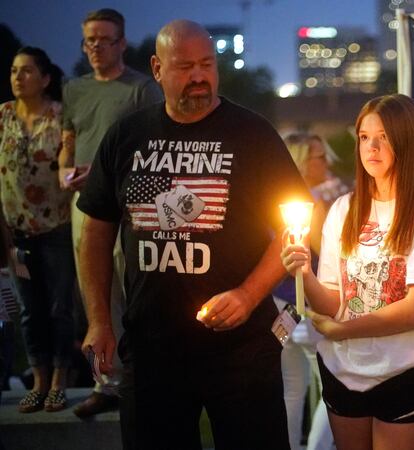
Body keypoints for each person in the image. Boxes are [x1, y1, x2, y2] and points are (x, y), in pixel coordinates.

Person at [76, 20, 308, 449]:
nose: (199, 76)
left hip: (241, 351)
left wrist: (248, 294)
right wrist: (98, 320)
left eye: (207, 64)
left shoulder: (252, 134)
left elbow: (295, 230)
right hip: (151, 349)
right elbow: (94, 233)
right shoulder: (127, 136)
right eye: (185, 66)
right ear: (157, 68)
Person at [281, 94, 414, 450]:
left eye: (383, 136)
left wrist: (344, 329)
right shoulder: (344, 208)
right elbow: (335, 299)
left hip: (405, 371)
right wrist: (303, 273)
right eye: (364, 137)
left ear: (408, 140)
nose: (371, 147)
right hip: (343, 370)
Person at [59, 7, 163, 418]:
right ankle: (107, 384)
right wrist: (66, 169)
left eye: (105, 39)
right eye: (90, 40)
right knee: (96, 294)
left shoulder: (140, 89)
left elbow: (156, 147)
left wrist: (109, 175)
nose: (96, 47)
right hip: (85, 204)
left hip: (131, 205)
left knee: (132, 289)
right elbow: (70, 138)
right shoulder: (74, 89)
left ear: (121, 42)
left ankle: (142, 379)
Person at [0, 47, 74, 413]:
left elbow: (67, 164)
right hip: (17, 231)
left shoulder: (60, 116)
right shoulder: (2, 116)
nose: (18, 77)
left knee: (60, 308)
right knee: (29, 311)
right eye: (14, 71)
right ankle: (39, 379)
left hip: (56, 229)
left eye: (26, 71)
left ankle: (60, 380)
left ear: (45, 79)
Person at [277, 132, 347, 450]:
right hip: (306, 308)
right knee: (335, 386)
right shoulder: (311, 205)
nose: (327, 162)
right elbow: (327, 254)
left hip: (278, 307)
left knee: (290, 390)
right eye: (320, 156)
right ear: (303, 161)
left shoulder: (274, 200)